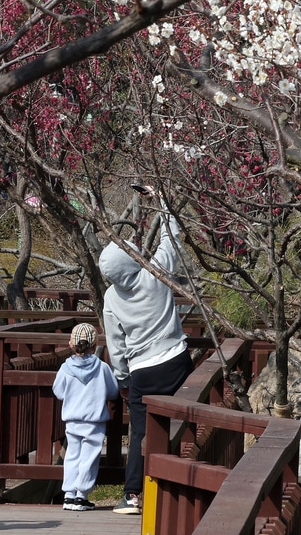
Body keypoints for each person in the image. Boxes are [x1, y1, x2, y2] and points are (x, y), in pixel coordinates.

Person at [100, 205, 189, 516]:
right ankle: (182, 483)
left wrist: (122, 380)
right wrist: (162, 203)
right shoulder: (155, 274)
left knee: (140, 431)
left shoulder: (111, 297)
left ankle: (133, 495)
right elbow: (172, 237)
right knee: (185, 420)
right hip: (176, 360)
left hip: (141, 372)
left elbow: (117, 345)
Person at [52, 323, 118, 511]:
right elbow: (113, 391)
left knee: (72, 456)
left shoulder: (66, 368)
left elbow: (58, 391)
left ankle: (69, 495)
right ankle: (82, 495)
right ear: (94, 344)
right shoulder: (102, 368)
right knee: (89, 457)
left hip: (73, 420)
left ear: (71, 344)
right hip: (94, 421)